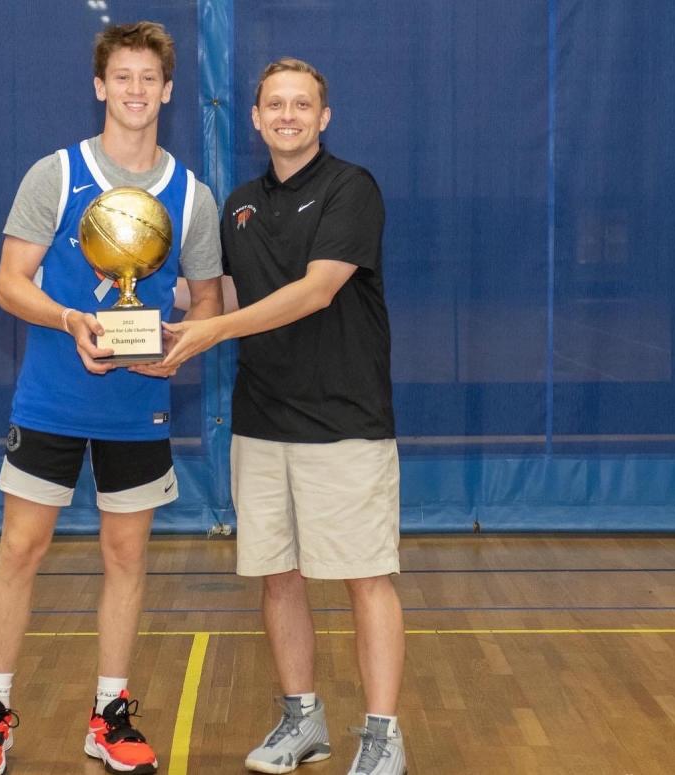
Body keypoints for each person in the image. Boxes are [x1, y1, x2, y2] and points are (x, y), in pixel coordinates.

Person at [0, 21, 223, 775]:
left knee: (126, 555)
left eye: (150, 79)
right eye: (123, 77)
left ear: (169, 91)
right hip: (51, 398)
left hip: (137, 405)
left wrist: (178, 346)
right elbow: (10, 283)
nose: (136, 91)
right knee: (21, 549)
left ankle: (109, 713)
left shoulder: (192, 197)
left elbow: (206, 301)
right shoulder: (56, 174)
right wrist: (70, 317)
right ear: (101, 86)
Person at [163, 58, 406, 775]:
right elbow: (230, 294)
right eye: (276, 104)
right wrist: (137, 297)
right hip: (261, 421)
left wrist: (212, 332)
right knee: (279, 577)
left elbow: (315, 291)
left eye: (303, 104)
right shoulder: (239, 203)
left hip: (346, 421)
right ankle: (303, 720)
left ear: (323, 117)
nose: (289, 115)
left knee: (367, 577)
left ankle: (384, 734)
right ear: (257, 118)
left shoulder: (351, 188)